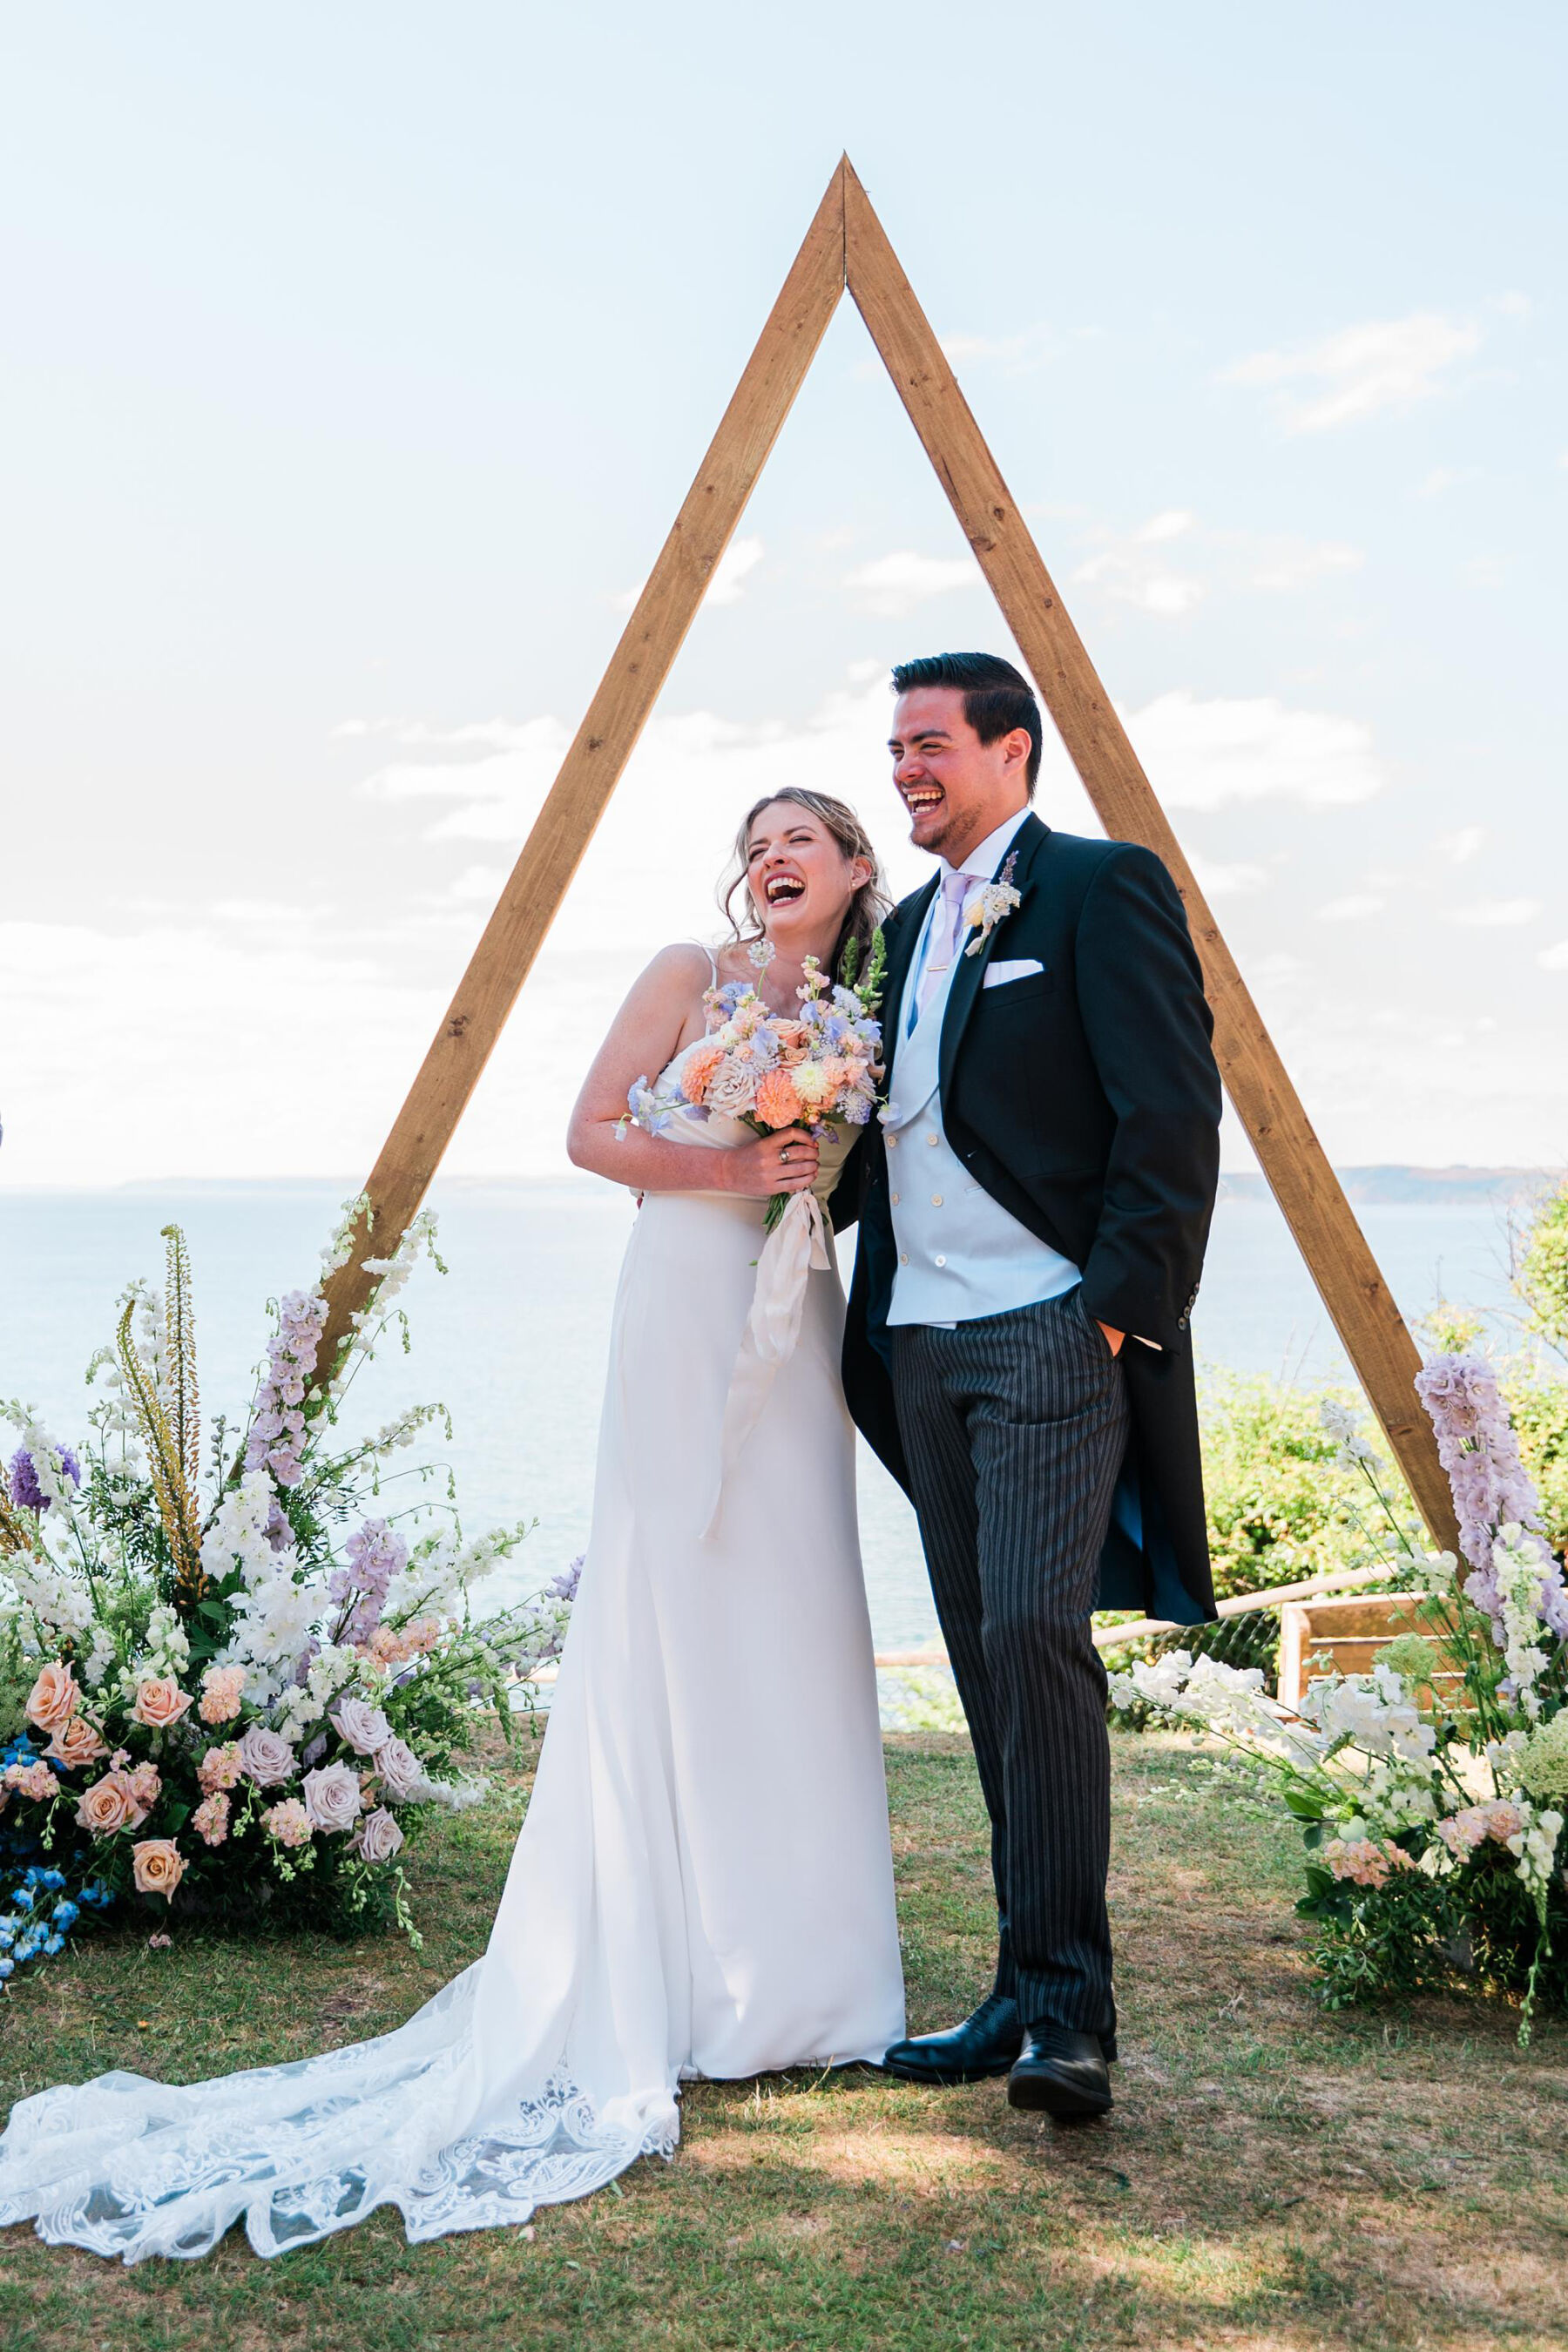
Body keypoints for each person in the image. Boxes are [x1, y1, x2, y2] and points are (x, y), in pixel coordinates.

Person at [0, 789, 904, 2261]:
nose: (770, 860)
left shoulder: (859, 1017)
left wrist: (801, 1168)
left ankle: (805, 1977)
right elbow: (589, 1134)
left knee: (795, 1605)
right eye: (753, 843)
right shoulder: (689, 972)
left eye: (799, 836)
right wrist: (738, 1165)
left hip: (788, 1306)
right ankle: (674, 1967)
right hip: (683, 1293)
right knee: (678, 1589)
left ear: (856, 867)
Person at [840, 651, 1223, 2119]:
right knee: (983, 1651)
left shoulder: (1096, 888)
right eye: (893, 749)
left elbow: (1171, 1110)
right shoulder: (913, 927)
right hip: (920, 1341)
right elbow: (896, 1126)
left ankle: (1072, 2019)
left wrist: (1119, 1317)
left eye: (928, 744)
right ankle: (1013, 1990)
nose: (905, 770)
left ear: (1010, 749)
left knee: (1032, 1634)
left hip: (1054, 1331)